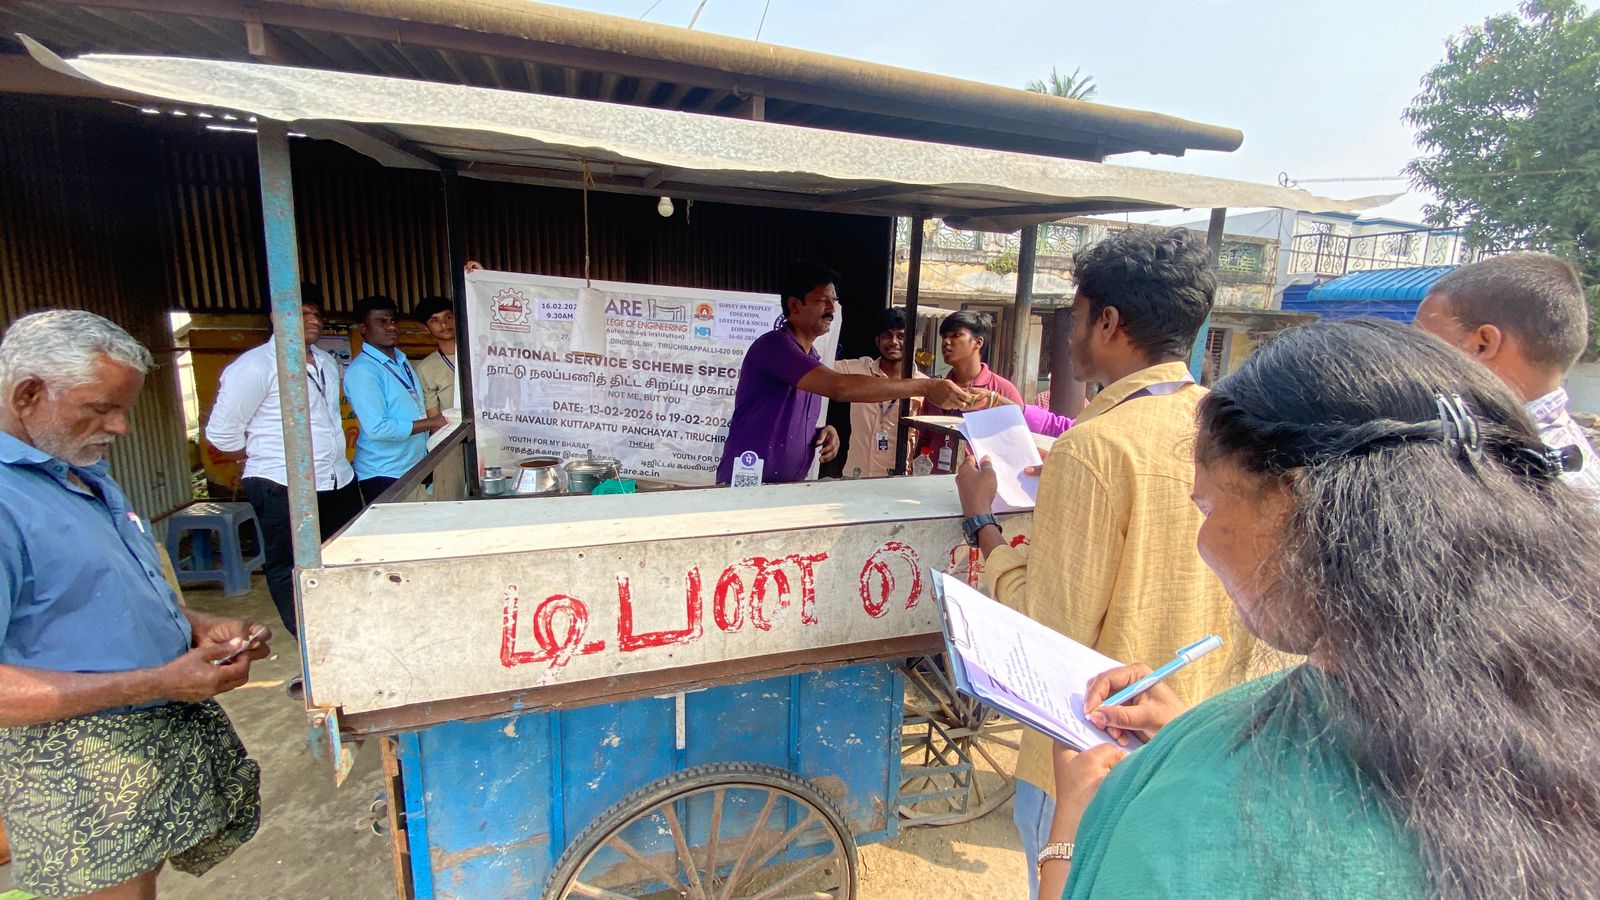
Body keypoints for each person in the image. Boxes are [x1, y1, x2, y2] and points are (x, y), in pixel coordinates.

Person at [1041, 318, 1600, 898]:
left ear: (1297, 504)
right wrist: (1194, 732)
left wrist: (1075, 830)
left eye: (1207, 507)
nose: (1204, 541)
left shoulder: (1186, 825)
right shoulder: (1556, 712)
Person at [953, 227, 1259, 899]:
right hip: (1199, 736)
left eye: (1077, 316)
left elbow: (1046, 628)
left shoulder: (1096, 447)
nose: (1069, 334)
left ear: (1109, 322)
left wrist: (984, 526)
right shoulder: (1231, 426)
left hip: (1092, 751)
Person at [0, 310, 269, 899]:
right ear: (27, 394)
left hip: (140, 740)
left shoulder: (76, 470)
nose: (120, 427)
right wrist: (156, 682)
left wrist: (194, 625)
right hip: (76, 762)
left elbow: (94, 590)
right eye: (102, 408)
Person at [715, 261, 974, 485]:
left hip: (783, 487)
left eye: (835, 301)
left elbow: (785, 416)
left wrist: (818, 431)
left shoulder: (812, 357)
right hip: (750, 484)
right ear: (794, 306)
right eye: (822, 300)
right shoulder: (776, 346)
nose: (832, 308)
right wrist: (924, 387)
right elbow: (839, 387)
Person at [205, 284, 362, 649]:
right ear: (276, 317)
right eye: (302, 313)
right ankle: (310, 643)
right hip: (281, 482)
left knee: (341, 557)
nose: (313, 320)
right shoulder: (255, 366)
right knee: (290, 564)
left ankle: (343, 631)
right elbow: (222, 433)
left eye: (316, 314)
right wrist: (263, 455)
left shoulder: (325, 362)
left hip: (335, 477)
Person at [1412, 252, 1600, 500]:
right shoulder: (1477, 440)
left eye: (1425, 343)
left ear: (1483, 344)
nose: (1413, 357)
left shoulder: (1558, 490)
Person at [344, 295, 446, 501]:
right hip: (384, 474)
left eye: (393, 320)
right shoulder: (363, 370)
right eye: (381, 322)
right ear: (363, 328)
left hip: (413, 467)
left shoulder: (401, 360)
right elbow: (378, 428)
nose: (391, 326)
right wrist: (433, 422)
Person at [916, 311, 1023, 473]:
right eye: (944, 337)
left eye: (956, 335)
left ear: (977, 343)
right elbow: (925, 439)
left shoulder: (1002, 390)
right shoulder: (938, 389)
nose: (946, 342)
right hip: (934, 480)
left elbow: (1017, 443)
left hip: (980, 481)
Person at [832, 307, 928, 477]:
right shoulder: (857, 370)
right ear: (877, 340)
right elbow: (818, 369)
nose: (893, 342)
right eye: (887, 336)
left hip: (898, 480)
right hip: (855, 477)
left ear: (914, 341)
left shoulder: (922, 385)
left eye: (901, 336)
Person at [412, 295, 459, 416]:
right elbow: (434, 418)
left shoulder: (481, 353)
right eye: (435, 320)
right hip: (456, 427)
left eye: (448, 317)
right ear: (425, 328)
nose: (444, 324)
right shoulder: (425, 368)